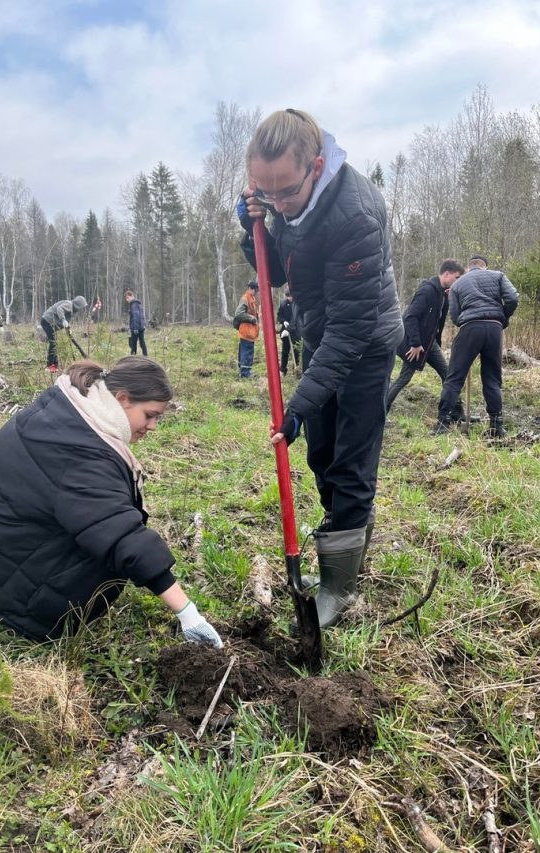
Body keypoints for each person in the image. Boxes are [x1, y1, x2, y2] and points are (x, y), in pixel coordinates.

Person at [0, 356, 223, 647]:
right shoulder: (83, 453)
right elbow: (120, 535)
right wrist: (187, 613)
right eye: (150, 415)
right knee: (102, 554)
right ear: (122, 398)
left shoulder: (72, 405)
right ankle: (26, 611)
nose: (154, 426)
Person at [238, 108, 402, 628]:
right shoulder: (282, 204)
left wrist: (297, 405)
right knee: (320, 453)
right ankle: (339, 540)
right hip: (319, 332)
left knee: (351, 462)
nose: (278, 204)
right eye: (265, 193)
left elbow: (351, 333)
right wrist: (253, 229)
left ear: (315, 166)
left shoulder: (355, 213)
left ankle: (340, 585)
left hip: (366, 340)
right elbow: (281, 268)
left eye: (285, 192)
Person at [433, 254, 519, 438]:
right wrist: (502, 316)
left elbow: (454, 315)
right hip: (494, 330)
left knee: (454, 377)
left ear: (468, 267)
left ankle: (443, 422)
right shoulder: (498, 276)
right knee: (492, 379)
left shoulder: (457, 284)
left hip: (469, 328)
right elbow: (512, 298)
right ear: (484, 267)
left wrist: (465, 320)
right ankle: (496, 426)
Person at [387, 260, 465, 415]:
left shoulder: (443, 294)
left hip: (430, 345)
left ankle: (456, 413)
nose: (457, 282)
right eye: (456, 278)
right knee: (404, 378)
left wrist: (436, 343)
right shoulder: (427, 290)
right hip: (415, 344)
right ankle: (380, 413)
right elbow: (411, 317)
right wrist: (415, 343)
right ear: (446, 274)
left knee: (448, 374)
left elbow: (438, 322)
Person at [41, 296, 88, 372]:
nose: (80, 309)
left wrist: (68, 328)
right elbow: (60, 309)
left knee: (55, 343)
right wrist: (63, 320)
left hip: (49, 323)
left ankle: (55, 365)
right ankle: (49, 365)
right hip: (47, 321)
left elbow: (64, 320)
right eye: (81, 307)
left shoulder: (70, 310)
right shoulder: (69, 304)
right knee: (53, 343)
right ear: (78, 305)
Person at [234, 280, 260, 378]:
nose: (256, 292)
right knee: (247, 351)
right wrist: (252, 318)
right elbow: (238, 314)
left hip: (250, 331)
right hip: (246, 331)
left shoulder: (251, 298)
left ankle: (244, 371)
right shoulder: (245, 299)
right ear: (250, 289)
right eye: (255, 290)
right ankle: (245, 373)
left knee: (246, 350)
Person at [276, 288, 301, 376]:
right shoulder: (283, 303)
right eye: (288, 297)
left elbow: (296, 319)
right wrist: (283, 321)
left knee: (296, 351)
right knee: (285, 351)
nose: (290, 298)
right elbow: (279, 315)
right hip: (285, 332)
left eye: (291, 296)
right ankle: (283, 370)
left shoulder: (297, 304)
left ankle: (296, 370)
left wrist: (289, 329)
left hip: (295, 331)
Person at [125, 291, 148, 355]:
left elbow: (135, 316)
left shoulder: (134, 304)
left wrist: (135, 328)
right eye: (126, 298)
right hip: (141, 327)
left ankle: (133, 358)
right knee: (142, 343)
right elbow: (141, 316)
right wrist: (143, 325)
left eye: (128, 297)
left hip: (136, 328)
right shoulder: (138, 304)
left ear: (132, 296)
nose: (127, 300)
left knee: (133, 344)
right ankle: (145, 356)